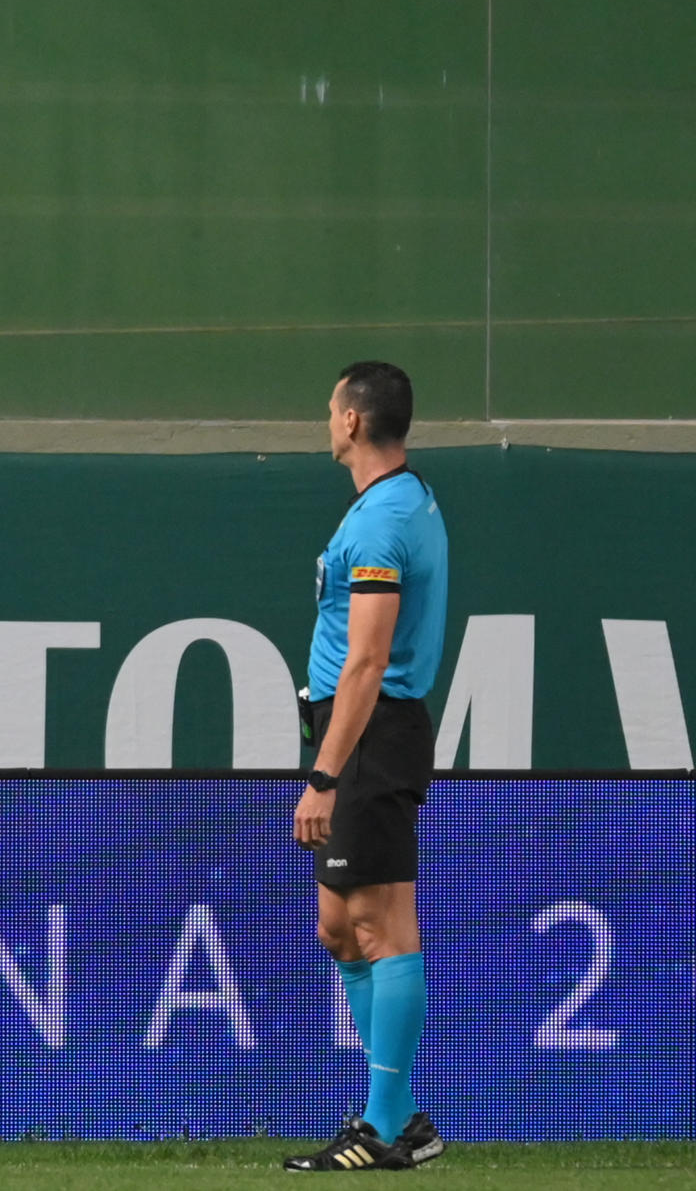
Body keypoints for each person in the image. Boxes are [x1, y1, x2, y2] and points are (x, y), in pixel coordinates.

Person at [286, 362, 449, 1173]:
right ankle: (400, 1114)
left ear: (352, 422)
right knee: (337, 925)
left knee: (382, 925)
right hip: (357, 730)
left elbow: (369, 659)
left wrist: (323, 773)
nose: (326, 418)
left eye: (330, 406)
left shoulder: (383, 520)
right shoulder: (394, 503)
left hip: (371, 735)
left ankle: (387, 1126)